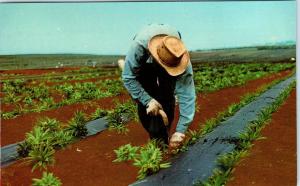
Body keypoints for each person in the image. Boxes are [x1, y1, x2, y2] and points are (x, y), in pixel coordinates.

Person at [121, 23, 196, 149]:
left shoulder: (178, 56)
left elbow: (187, 95)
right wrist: (147, 100)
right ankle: (156, 136)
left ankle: (163, 134)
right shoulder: (139, 46)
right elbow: (128, 77)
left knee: (167, 94)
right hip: (145, 60)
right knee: (147, 90)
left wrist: (180, 131)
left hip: (167, 58)